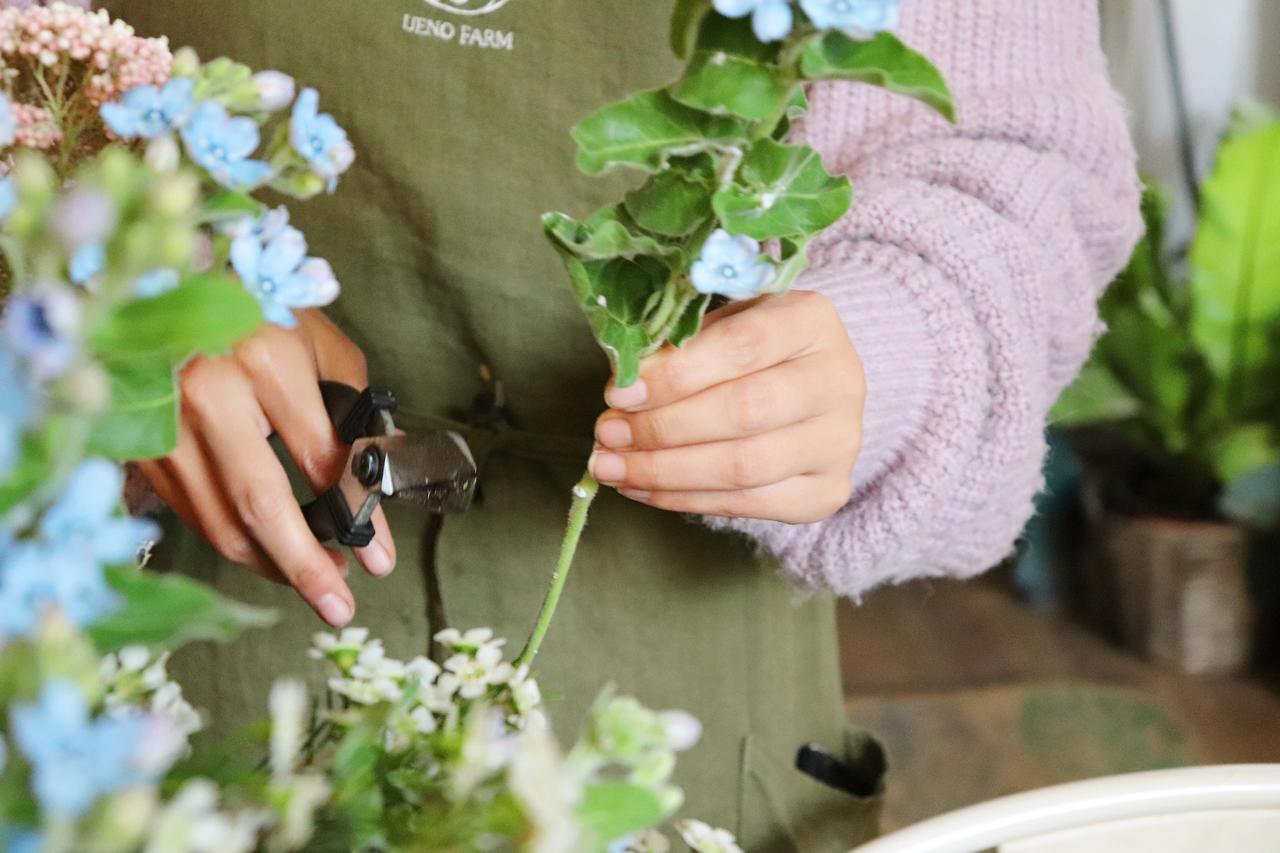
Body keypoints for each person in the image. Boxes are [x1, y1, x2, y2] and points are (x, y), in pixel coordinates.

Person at [105, 0, 1141, 848]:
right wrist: (113, 273)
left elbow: (1023, 163)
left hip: (683, 713)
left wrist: (900, 335)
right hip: (172, 677)